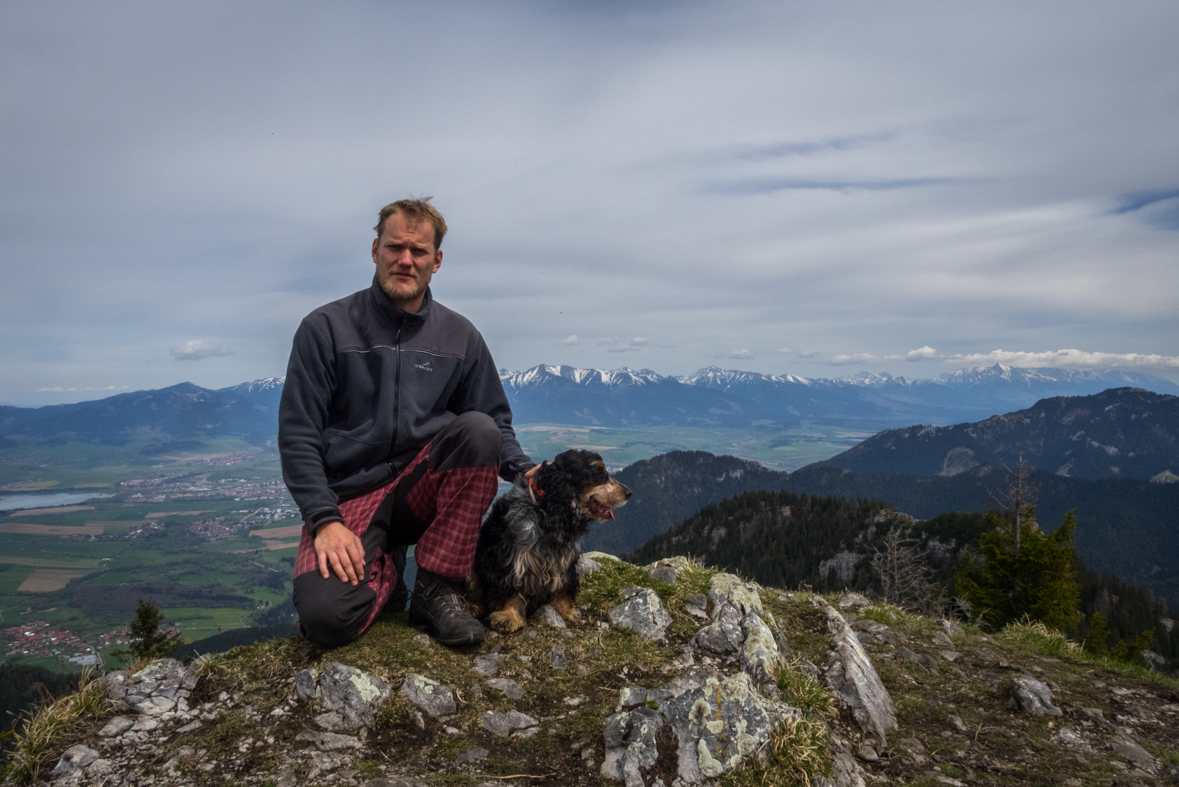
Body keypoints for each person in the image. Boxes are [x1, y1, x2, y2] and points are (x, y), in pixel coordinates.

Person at [278, 197, 533, 649]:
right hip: (352, 495)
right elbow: (299, 435)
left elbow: (494, 420)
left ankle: (437, 590)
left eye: (418, 252)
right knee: (327, 618)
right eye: (395, 247)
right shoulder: (325, 329)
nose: (405, 260)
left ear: (437, 262)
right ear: (375, 249)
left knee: (478, 431)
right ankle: (387, 572)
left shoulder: (461, 337)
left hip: (422, 490)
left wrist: (524, 470)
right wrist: (323, 521)